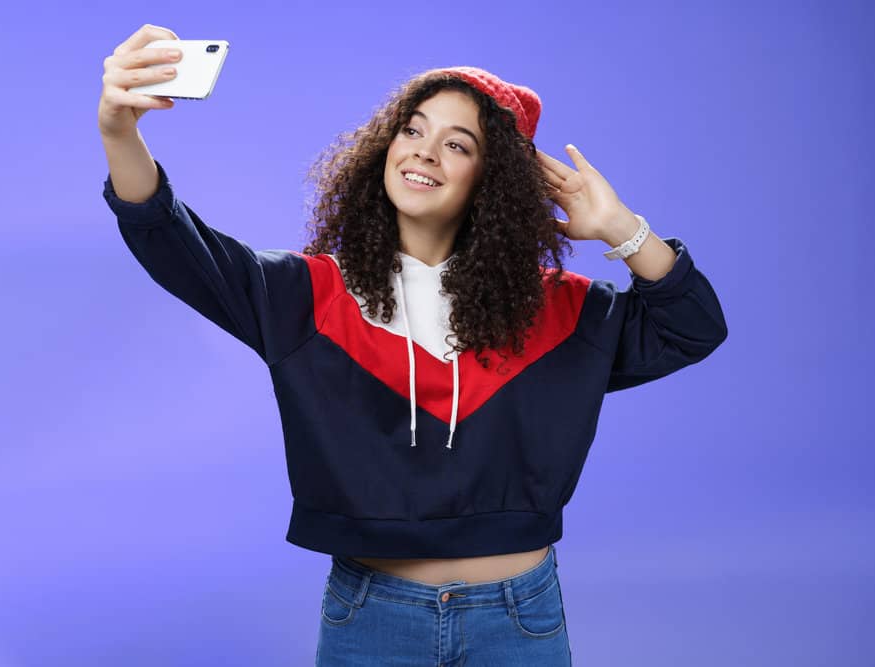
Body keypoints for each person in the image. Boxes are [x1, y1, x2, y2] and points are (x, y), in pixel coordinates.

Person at [99, 24, 728, 667]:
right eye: (413, 129)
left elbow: (694, 325)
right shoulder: (309, 296)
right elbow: (173, 243)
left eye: (457, 144)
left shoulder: (563, 310)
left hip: (518, 619)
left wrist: (622, 230)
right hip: (372, 615)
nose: (423, 152)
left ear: (495, 180)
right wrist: (120, 134)